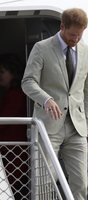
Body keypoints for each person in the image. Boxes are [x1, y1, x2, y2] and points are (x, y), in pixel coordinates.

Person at [21, 8, 88, 200]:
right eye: (72, 35)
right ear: (62, 27)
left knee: (81, 183)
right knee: (45, 183)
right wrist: (46, 99)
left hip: (77, 128)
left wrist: (86, 123)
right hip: (48, 126)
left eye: (80, 35)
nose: (76, 39)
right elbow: (28, 82)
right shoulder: (41, 48)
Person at [0, 53, 28, 199]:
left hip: (13, 154)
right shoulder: (14, 93)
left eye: (2, 72)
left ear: (13, 71)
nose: (0, 76)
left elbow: (4, 120)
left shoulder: (16, 95)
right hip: (12, 153)